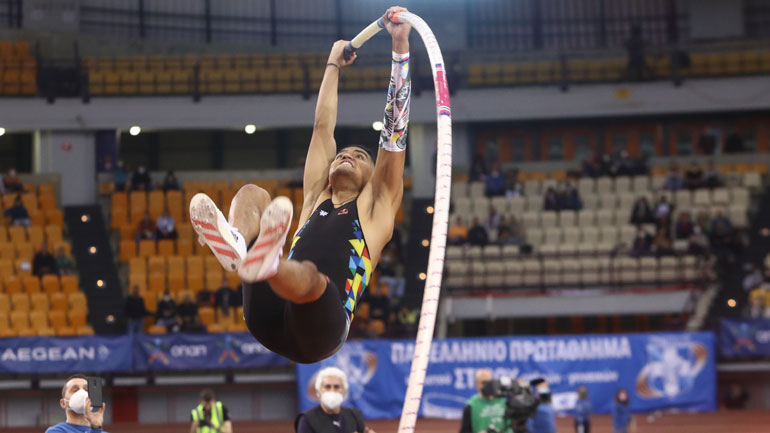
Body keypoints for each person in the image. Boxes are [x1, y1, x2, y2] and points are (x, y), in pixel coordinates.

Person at [190, 7, 411, 364]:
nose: (346, 155)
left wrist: (399, 48)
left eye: (359, 155)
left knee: (311, 278)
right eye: (343, 153)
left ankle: (266, 261)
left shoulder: (375, 208)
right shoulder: (315, 198)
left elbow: (394, 131)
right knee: (252, 194)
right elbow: (323, 128)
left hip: (322, 329)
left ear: (373, 178)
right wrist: (332, 65)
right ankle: (239, 244)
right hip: (268, 316)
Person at [295, 367, 373, 433]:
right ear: (319, 391)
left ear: (344, 391)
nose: (332, 390)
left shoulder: (354, 415)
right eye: (327, 387)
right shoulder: (307, 419)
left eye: (336, 387)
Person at [459, 369, 510, 433]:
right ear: (476, 385)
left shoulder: (504, 402)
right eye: (483, 383)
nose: (487, 386)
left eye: (489, 382)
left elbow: (512, 427)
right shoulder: (471, 406)